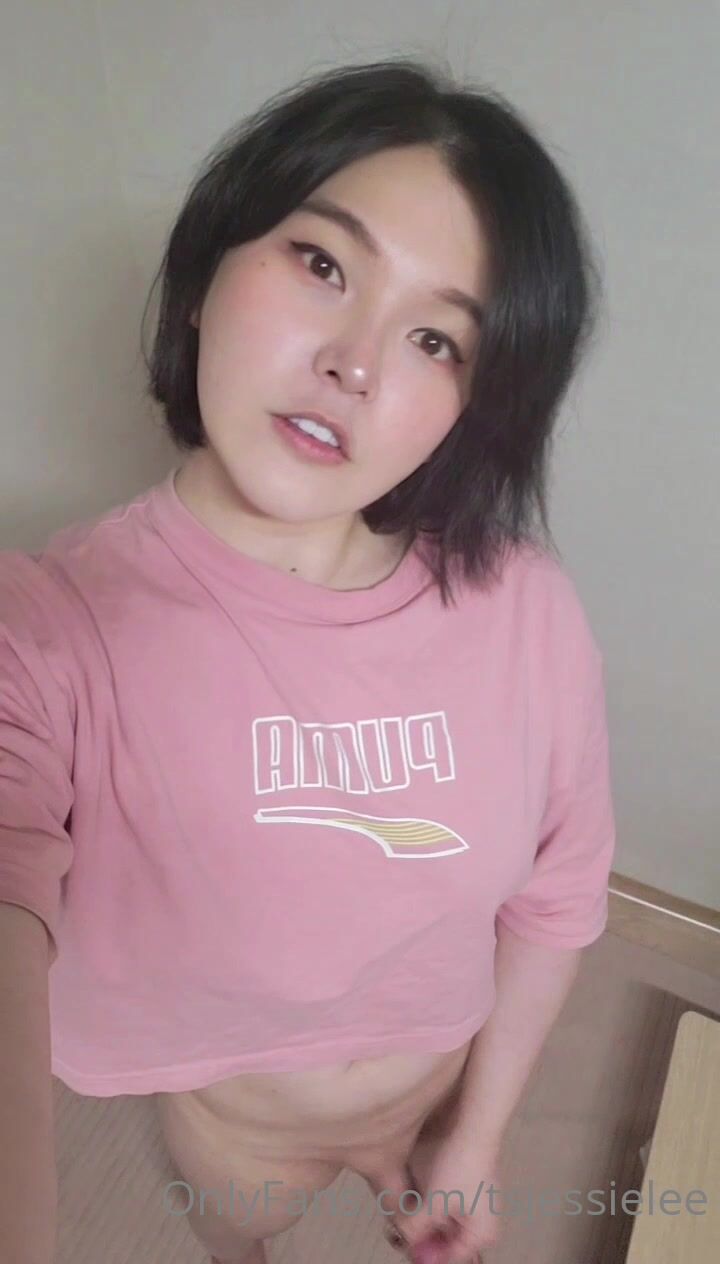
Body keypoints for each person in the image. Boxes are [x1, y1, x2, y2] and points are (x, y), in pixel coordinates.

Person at [0, 57, 616, 1264]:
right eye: (323, 264)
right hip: (240, 1134)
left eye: (436, 338)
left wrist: (476, 1136)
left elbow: (559, 896)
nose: (357, 362)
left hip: (443, 1082)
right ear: (205, 273)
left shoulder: (526, 608)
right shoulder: (51, 629)